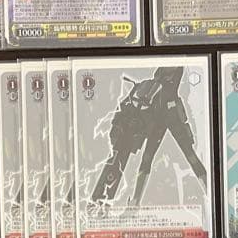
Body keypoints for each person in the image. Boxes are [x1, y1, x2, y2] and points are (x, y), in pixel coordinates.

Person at [89, 66, 208, 207]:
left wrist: (148, 97)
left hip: (165, 114)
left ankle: (209, 190)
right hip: (161, 114)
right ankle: (135, 202)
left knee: (179, 155)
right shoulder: (164, 77)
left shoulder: (168, 75)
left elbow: (162, 82)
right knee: (149, 158)